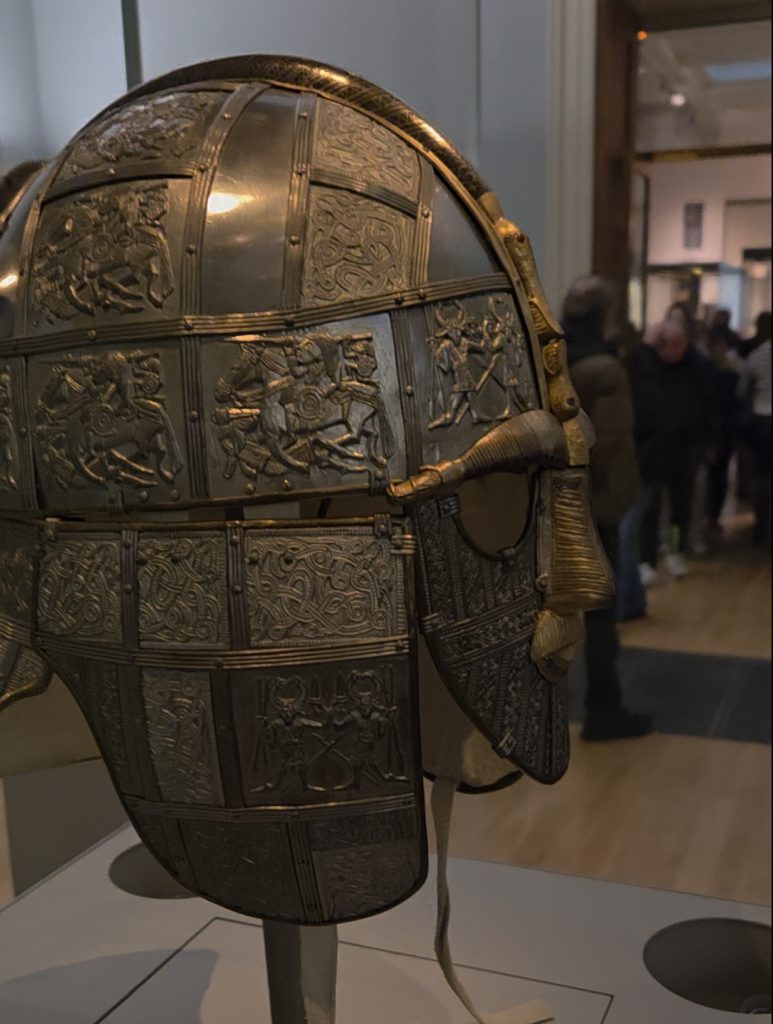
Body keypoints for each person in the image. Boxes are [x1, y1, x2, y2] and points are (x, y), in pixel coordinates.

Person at [562, 276, 653, 741]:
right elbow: (611, 444)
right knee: (600, 609)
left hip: (554, 503)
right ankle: (604, 707)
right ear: (603, 314)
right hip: (596, 507)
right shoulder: (605, 369)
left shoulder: (550, 359)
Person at [631, 320, 717, 581]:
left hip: (684, 449)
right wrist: (646, 346)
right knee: (649, 508)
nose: (669, 351)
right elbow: (633, 371)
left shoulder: (699, 368)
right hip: (651, 449)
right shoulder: (646, 366)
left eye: (676, 345)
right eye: (664, 344)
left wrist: (706, 443)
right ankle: (647, 558)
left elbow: (708, 407)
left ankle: (675, 549)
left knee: (680, 506)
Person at [704, 330, 743, 536]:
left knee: (715, 476)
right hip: (722, 430)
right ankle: (711, 517)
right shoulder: (729, 374)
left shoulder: (714, 373)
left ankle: (711, 517)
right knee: (716, 476)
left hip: (720, 430)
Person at [742, 333, 771, 546]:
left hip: (761, 420)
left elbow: (743, 389)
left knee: (761, 476)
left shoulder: (757, 355)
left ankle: (761, 526)